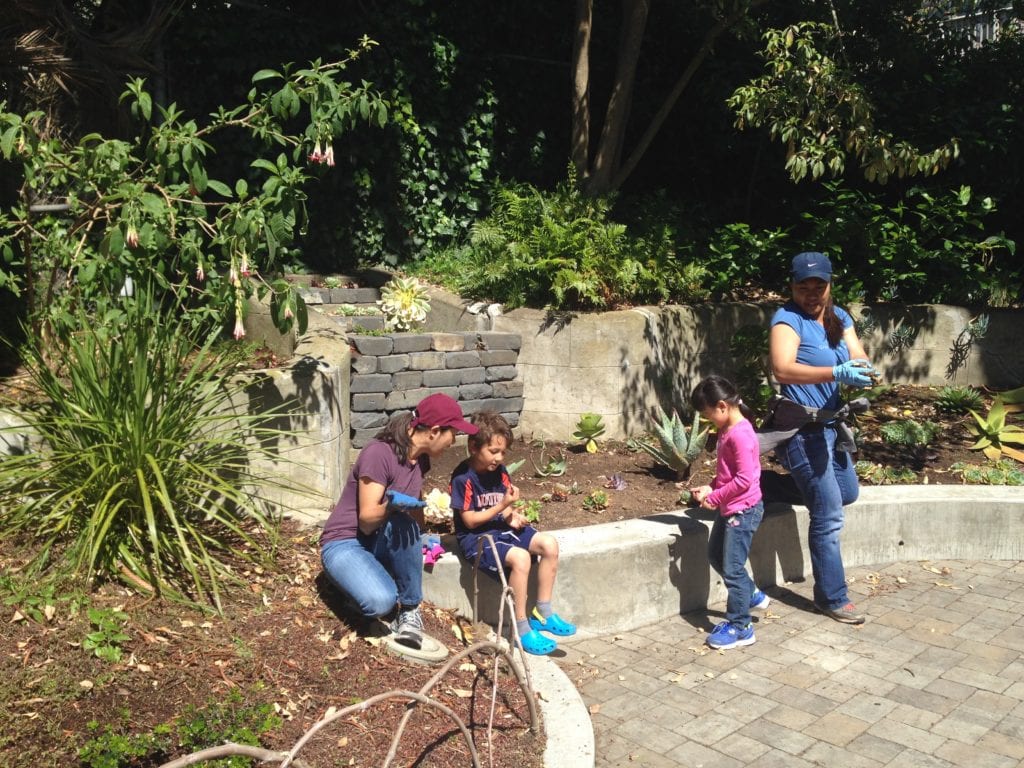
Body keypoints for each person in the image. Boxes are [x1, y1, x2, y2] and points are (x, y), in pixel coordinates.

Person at [768, 251, 877, 625]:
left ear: (830, 285)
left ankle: (773, 485)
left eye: (819, 286)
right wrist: (835, 371)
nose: (811, 294)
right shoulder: (787, 319)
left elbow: (856, 350)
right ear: (792, 287)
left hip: (832, 425)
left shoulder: (838, 315)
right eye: (803, 287)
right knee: (828, 514)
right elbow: (782, 368)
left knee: (848, 493)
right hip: (802, 429)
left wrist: (862, 367)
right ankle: (832, 597)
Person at [320, 393, 478, 650]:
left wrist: (423, 537)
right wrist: (393, 507)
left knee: (407, 526)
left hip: (379, 540)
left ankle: (409, 611)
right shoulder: (378, 453)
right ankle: (349, 585)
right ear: (434, 432)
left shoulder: (420, 459)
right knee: (380, 603)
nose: (455, 441)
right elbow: (368, 520)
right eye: (453, 433)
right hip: (346, 542)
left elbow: (414, 500)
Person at [450, 411, 576, 656]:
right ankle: (520, 627)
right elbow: (470, 521)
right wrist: (501, 508)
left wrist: (513, 515)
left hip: (500, 528)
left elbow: (505, 508)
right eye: (493, 451)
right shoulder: (463, 478)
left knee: (549, 544)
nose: (499, 458)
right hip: (477, 539)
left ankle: (543, 611)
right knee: (521, 557)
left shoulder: (501, 471)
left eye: (503, 452)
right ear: (473, 447)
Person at [689, 376, 769, 650]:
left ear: (722, 406)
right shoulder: (726, 431)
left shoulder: (741, 435)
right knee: (716, 556)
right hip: (730, 508)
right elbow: (728, 475)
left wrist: (716, 497)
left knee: (733, 570)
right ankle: (751, 593)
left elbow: (746, 480)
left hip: (743, 511)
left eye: (708, 416)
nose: (709, 421)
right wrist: (710, 487)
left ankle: (741, 627)